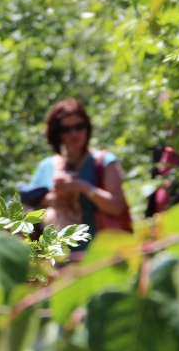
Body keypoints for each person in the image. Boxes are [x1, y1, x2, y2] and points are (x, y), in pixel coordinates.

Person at [27, 98, 129, 250]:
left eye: (79, 126)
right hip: (55, 260)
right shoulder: (47, 166)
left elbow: (116, 207)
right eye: (66, 129)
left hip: (97, 256)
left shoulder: (104, 162)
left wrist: (83, 187)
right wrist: (53, 198)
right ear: (57, 133)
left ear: (87, 128)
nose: (74, 133)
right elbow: (29, 206)